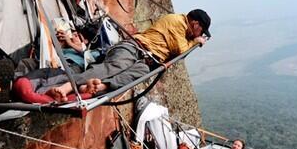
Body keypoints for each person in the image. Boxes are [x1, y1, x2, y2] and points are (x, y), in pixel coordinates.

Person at [45, 9, 212, 102]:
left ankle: (97, 86)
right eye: (201, 30)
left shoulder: (185, 31)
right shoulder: (177, 21)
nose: (200, 33)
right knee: (114, 67)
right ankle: (66, 87)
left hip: (147, 60)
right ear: (195, 24)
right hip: (134, 47)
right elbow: (180, 49)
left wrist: (194, 40)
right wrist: (196, 42)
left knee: (135, 76)